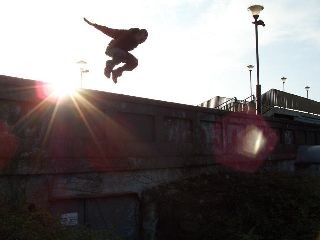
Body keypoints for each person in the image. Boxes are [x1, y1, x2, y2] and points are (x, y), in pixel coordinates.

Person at [84, 18, 148, 83]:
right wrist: (94, 25)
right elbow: (109, 31)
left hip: (122, 53)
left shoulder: (136, 42)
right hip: (111, 49)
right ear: (138, 34)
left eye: (142, 40)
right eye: (140, 38)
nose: (140, 41)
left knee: (134, 62)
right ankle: (109, 66)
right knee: (121, 53)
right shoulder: (125, 33)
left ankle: (116, 72)